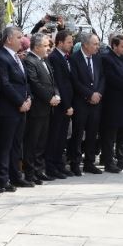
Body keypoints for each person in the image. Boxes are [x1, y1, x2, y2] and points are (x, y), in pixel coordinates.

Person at [0, 26, 33, 190]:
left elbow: (25, 82)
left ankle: (16, 176)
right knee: (5, 145)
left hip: (22, 108)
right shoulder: (1, 57)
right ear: (9, 39)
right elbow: (5, 84)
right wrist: (20, 102)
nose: (22, 40)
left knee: (17, 144)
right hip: (9, 109)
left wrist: (29, 98)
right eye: (18, 37)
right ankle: (3, 179)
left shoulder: (17, 58)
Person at [23, 32, 60, 183]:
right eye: (45, 46)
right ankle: (30, 173)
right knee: (32, 142)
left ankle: (39, 170)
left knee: (41, 143)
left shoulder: (45, 60)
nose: (48, 49)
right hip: (37, 109)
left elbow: (52, 81)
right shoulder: (29, 61)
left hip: (47, 108)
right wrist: (49, 97)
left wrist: (56, 94)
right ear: (37, 47)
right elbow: (34, 83)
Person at [100, 35, 123, 172]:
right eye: (122, 46)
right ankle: (108, 161)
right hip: (113, 102)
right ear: (114, 45)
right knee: (110, 134)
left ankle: (122, 159)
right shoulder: (106, 58)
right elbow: (112, 79)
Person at [69, 32, 105, 175]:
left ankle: (90, 162)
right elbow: (75, 81)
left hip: (96, 103)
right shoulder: (74, 59)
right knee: (78, 135)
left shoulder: (97, 58)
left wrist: (98, 94)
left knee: (92, 134)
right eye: (95, 44)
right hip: (81, 103)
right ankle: (75, 163)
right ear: (85, 45)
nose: (98, 47)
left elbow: (102, 77)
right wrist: (89, 94)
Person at [46, 30, 75, 179]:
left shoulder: (66, 57)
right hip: (60, 105)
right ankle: (51, 166)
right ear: (60, 42)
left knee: (62, 137)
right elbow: (59, 83)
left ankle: (59, 164)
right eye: (69, 42)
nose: (71, 45)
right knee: (55, 137)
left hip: (67, 104)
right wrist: (67, 105)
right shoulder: (55, 58)